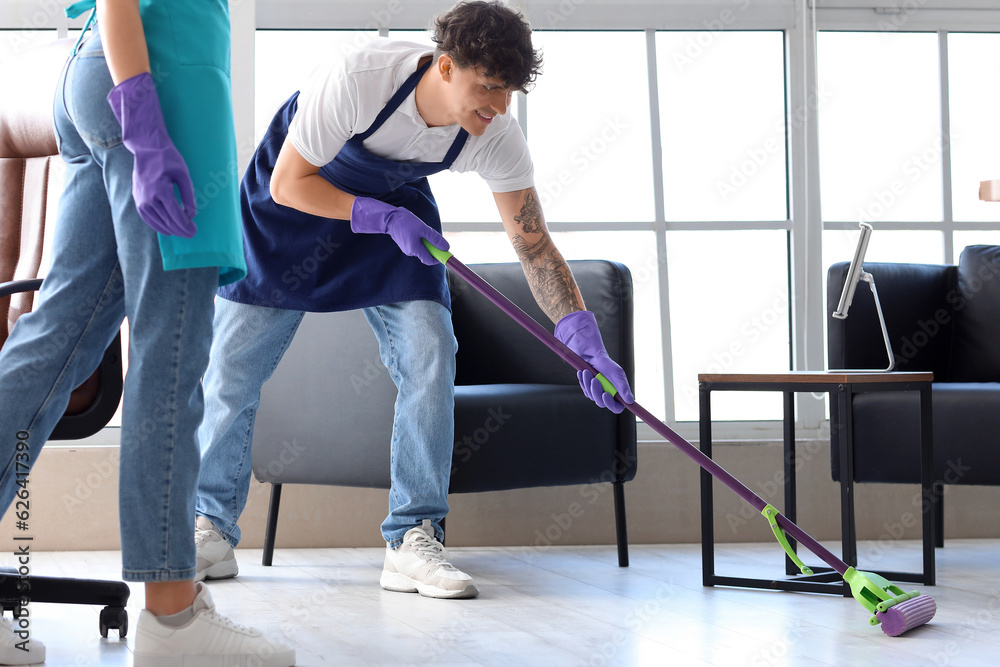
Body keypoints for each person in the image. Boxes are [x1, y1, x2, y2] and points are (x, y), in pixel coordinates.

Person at [193, 0, 634, 600]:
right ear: (445, 66)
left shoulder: (494, 133)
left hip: (395, 219)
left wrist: (580, 334)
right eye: (488, 88)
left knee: (432, 352)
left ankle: (412, 536)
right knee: (232, 371)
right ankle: (211, 529)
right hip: (291, 212)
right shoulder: (356, 79)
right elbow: (290, 182)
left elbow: (533, 245)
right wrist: (374, 215)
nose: (499, 107)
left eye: (509, 92)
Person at [0, 0, 293, 664]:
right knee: (172, 350)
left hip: (102, 73)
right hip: (160, 84)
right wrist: (147, 129)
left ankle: (173, 605)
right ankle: (172, 616)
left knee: (57, 339)